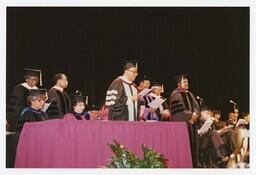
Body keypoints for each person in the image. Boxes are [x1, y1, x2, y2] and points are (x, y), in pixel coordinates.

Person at [169, 74, 200, 167]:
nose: (187, 83)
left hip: (192, 124)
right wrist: (190, 116)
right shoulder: (175, 94)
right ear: (179, 84)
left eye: (187, 81)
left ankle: (194, 165)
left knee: (193, 146)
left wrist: (195, 115)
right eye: (184, 82)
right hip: (183, 125)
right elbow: (177, 111)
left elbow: (196, 106)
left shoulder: (190, 94)